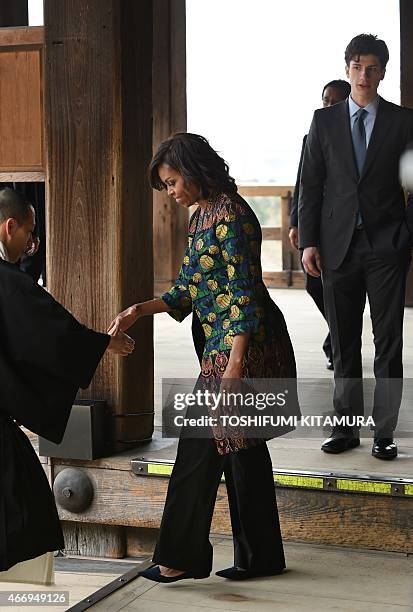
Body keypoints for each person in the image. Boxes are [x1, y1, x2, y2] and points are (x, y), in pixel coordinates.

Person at [109, 133, 299, 582]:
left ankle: (180, 558)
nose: (171, 193)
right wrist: (141, 309)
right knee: (242, 453)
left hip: (243, 349)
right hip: (227, 345)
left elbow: (243, 297)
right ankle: (262, 557)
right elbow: (189, 290)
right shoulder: (202, 217)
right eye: (167, 186)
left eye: (173, 182)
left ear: (193, 172)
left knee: (197, 450)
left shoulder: (230, 216)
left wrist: (233, 369)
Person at [0, 187, 134, 571]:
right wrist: (102, 343)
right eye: (28, 233)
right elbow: (48, 331)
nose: (30, 244)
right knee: (16, 505)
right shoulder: (6, 280)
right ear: (10, 227)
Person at [299, 34, 413, 459]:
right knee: (344, 342)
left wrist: (409, 237)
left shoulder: (403, 122)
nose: (364, 75)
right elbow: (311, 185)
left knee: (389, 342)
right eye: (357, 66)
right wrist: (308, 240)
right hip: (336, 246)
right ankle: (344, 429)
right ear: (347, 69)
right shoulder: (323, 121)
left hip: (387, 246)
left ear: (383, 72)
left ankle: (385, 433)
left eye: (372, 68)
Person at [289, 79, 351, 370]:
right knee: (314, 284)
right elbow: (303, 183)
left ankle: (337, 342)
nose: (329, 106)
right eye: (325, 100)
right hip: (316, 225)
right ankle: (341, 331)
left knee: (340, 287)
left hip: (345, 225)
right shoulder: (311, 135)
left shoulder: (358, 136)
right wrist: (295, 222)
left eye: (336, 101)